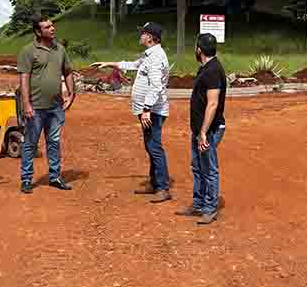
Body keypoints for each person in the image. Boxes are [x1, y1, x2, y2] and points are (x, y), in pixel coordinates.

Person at [92, 22, 172, 204]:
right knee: (151, 146)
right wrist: (110, 64)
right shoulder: (149, 55)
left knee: (154, 147)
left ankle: (162, 187)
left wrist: (146, 110)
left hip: (153, 112)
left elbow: (156, 87)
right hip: (149, 110)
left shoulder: (156, 58)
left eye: (143, 33)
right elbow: (133, 64)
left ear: (150, 37)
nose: (140, 36)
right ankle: (155, 183)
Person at [17, 14, 76, 194]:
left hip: (55, 106)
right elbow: (24, 79)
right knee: (30, 144)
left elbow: (68, 71)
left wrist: (71, 93)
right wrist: (26, 104)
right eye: (47, 27)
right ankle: (26, 179)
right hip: (35, 107)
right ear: (37, 31)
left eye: (52, 25)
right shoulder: (28, 51)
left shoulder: (60, 49)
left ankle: (55, 177)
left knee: (54, 142)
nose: (52, 29)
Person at [177, 33, 226, 225]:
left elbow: (212, 104)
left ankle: (209, 208)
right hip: (200, 130)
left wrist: (204, 132)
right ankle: (198, 204)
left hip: (210, 130)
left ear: (199, 49)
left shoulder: (213, 71)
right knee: (197, 166)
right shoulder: (205, 68)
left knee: (208, 168)